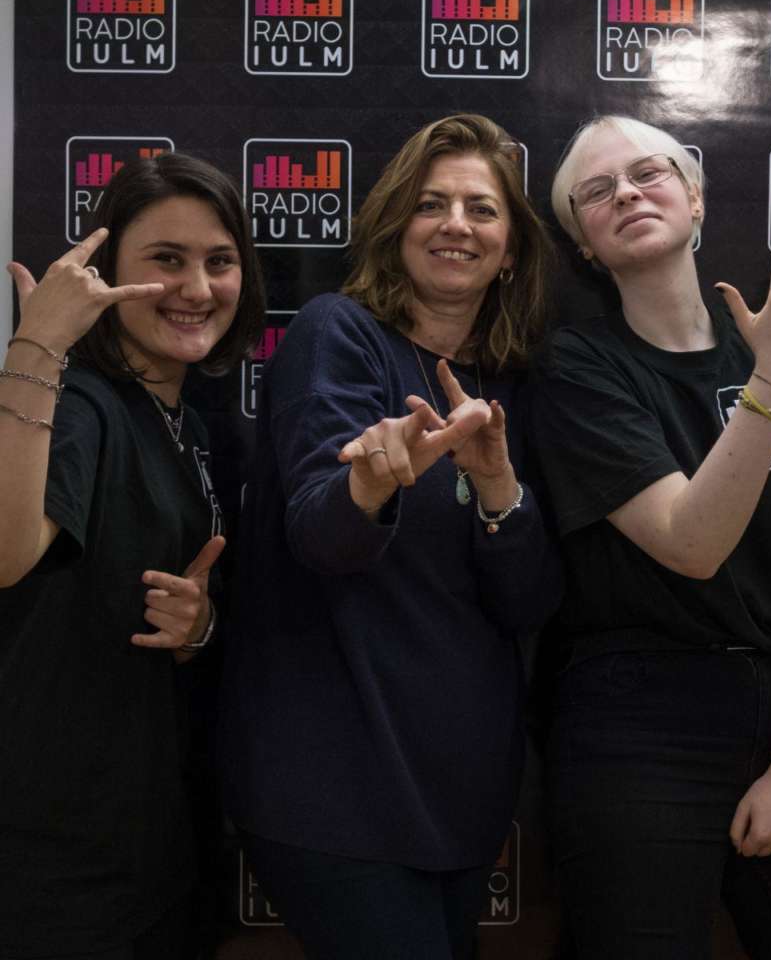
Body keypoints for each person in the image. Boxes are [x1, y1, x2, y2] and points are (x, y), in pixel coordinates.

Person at [218, 113, 562, 959]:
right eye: (430, 204)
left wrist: (495, 484)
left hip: (461, 793)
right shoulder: (338, 332)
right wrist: (371, 481)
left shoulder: (513, 381)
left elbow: (527, 601)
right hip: (333, 788)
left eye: (481, 209)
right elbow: (320, 537)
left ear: (512, 247)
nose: (455, 224)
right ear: (393, 226)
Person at [529, 115, 771, 959]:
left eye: (649, 173)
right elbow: (691, 542)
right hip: (639, 721)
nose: (628, 193)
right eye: (596, 191)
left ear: (696, 198)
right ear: (585, 244)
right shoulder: (577, 367)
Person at [0, 152, 265, 959]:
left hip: (162, 852)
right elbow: (7, 555)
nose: (196, 288)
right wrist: (38, 344)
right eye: (165, 261)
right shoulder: (80, 403)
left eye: (219, 262)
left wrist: (203, 627)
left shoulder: (201, 419)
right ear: (109, 273)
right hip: (60, 870)